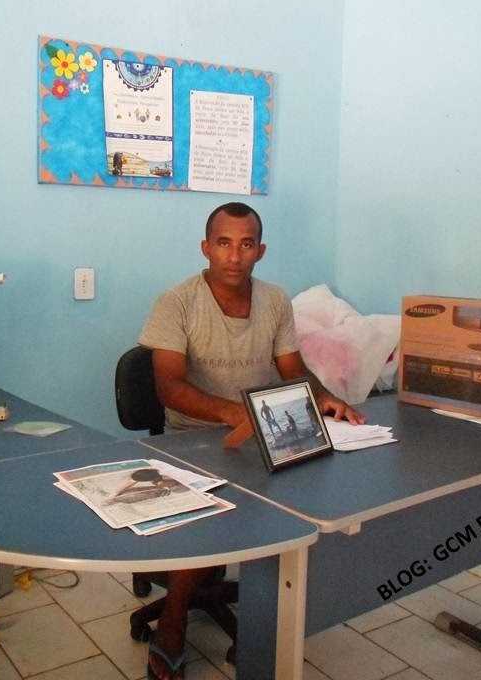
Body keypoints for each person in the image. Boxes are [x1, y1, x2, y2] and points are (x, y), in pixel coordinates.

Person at [138, 201, 365, 679]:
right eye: (224, 243)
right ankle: (173, 621)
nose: (234, 255)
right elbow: (168, 386)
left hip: (263, 436)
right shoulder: (176, 301)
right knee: (204, 516)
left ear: (260, 251)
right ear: (206, 247)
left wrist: (326, 397)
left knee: (313, 497)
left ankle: (270, 622)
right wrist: (229, 411)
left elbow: (292, 371)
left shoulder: (275, 300)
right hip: (193, 440)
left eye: (246, 244)